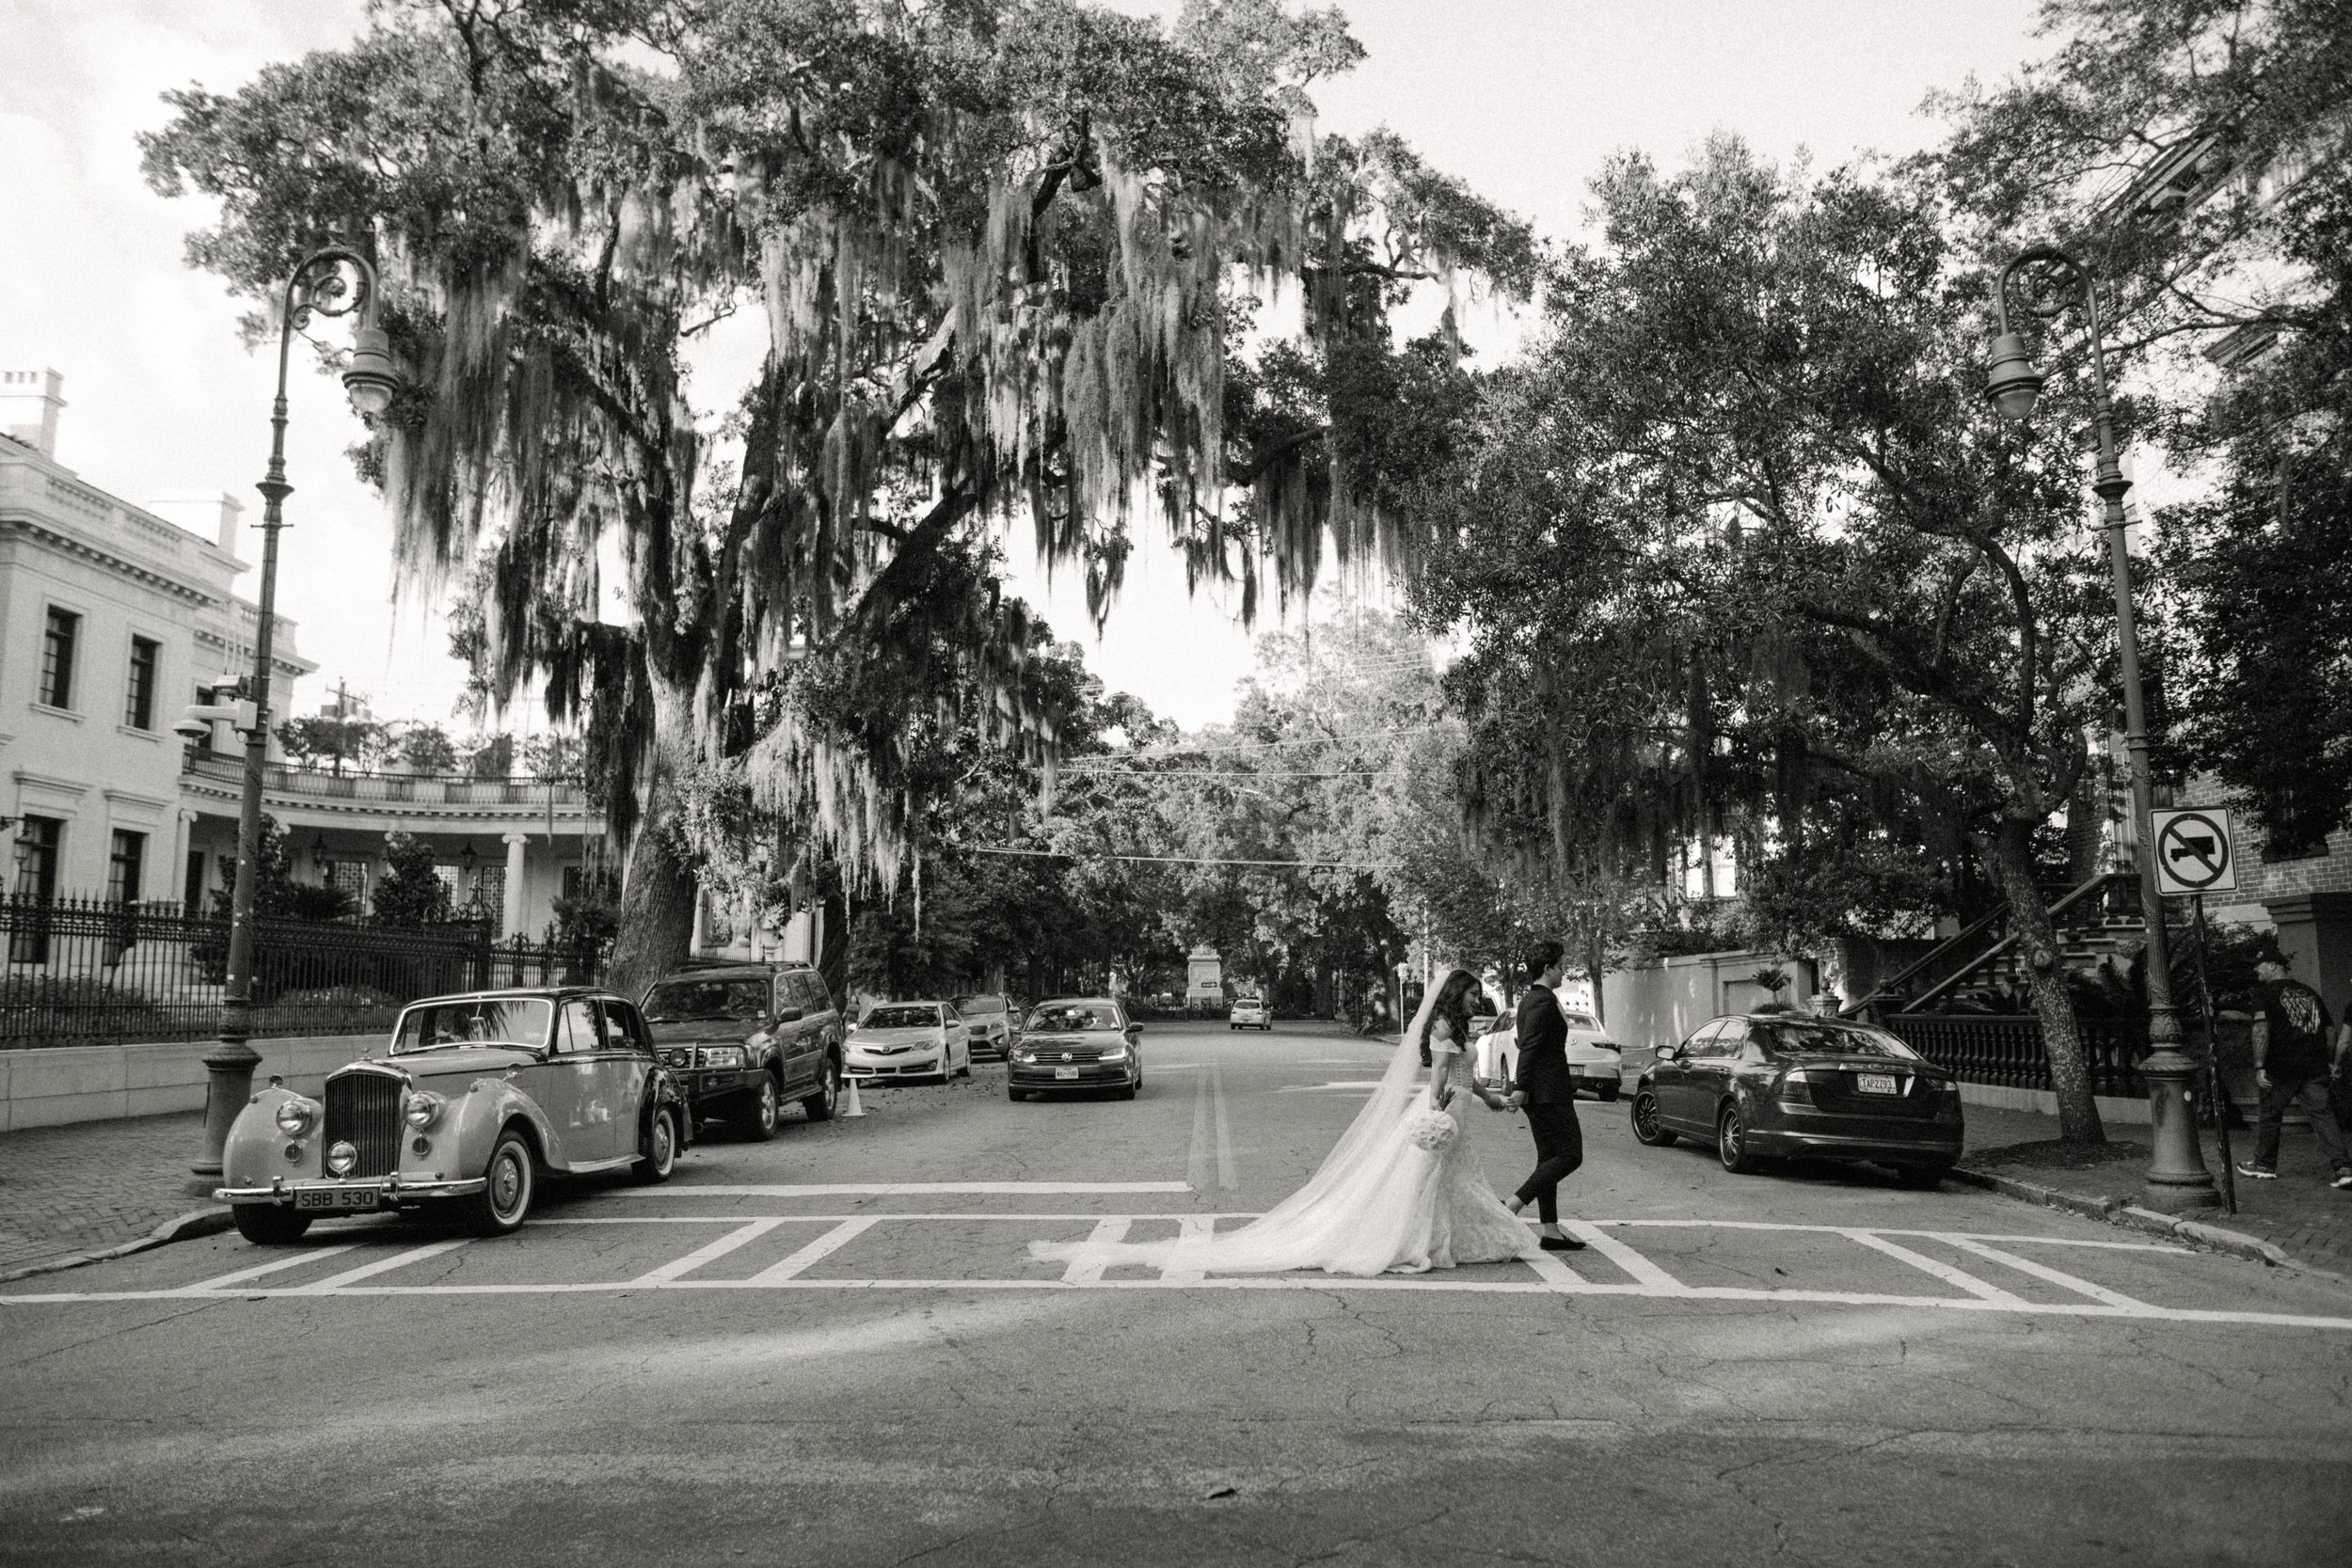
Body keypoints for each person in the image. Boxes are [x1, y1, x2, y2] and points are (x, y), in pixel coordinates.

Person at [1028, 967, 1537, 1277]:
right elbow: (1439, 1081)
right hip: (1446, 1114)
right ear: (1457, 996)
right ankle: (1418, 1241)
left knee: (1454, 1184)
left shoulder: (1462, 1027)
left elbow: (1469, 1077)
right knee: (1429, 1183)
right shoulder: (1445, 1027)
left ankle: (1449, 1239)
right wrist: (1441, 1115)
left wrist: (1494, 1103)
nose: (1478, 1000)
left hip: (1463, 1111)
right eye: (1472, 993)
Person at [2235, 956, 2352, 1191]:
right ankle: (2344, 1168)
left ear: (2272, 965)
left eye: (2258, 965)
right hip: (2314, 1066)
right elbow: (2329, 1031)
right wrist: (2328, 1062)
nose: (2256, 970)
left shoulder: (2265, 994)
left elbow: (2261, 1031)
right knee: (2323, 1116)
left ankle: (2264, 1165)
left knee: (2270, 1114)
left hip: (2282, 1066)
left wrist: (2260, 1065)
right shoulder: (2310, 993)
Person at [1501, 941, 1587, 1251]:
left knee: (1549, 1158)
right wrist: (1520, 1088)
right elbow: (1531, 1047)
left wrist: (1522, 1087)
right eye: (1561, 966)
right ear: (1548, 969)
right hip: (1548, 1092)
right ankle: (1513, 1203)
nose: (1564, 971)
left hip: (1542, 1091)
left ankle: (1550, 1230)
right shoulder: (1542, 1002)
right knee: (1570, 1155)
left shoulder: (1532, 1000)